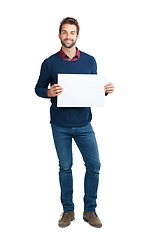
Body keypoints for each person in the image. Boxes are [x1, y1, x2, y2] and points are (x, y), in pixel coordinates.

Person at [35, 17, 114, 228]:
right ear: (59, 35)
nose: (68, 36)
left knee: (94, 165)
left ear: (77, 36)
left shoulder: (90, 60)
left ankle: (90, 210)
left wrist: (103, 91)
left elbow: (92, 90)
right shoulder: (50, 62)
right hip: (59, 125)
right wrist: (48, 92)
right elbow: (38, 88)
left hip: (83, 124)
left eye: (72, 33)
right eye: (64, 32)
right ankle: (68, 210)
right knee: (65, 167)